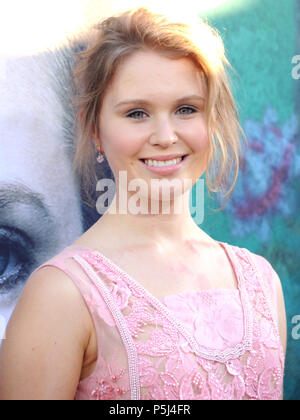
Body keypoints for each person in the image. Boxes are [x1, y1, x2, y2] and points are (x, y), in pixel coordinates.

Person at [0, 7, 286, 400]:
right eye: (137, 113)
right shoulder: (62, 292)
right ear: (94, 129)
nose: (166, 135)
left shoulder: (262, 281)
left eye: (186, 109)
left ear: (211, 120)